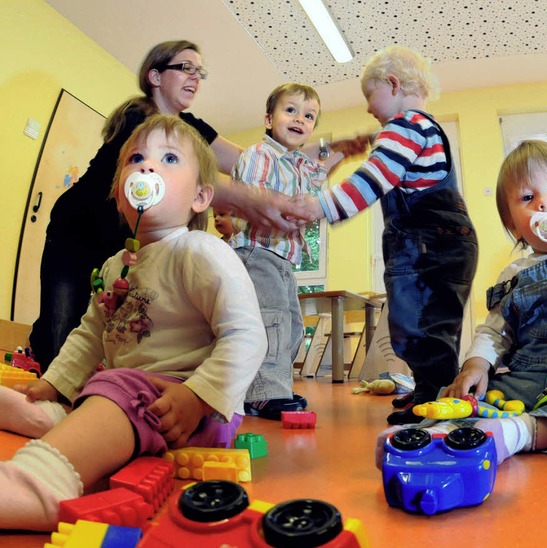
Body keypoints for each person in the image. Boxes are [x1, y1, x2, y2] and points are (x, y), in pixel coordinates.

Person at [0, 114, 267, 531]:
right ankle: (53, 415)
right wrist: (54, 382)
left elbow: (246, 334)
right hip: (127, 394)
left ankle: (38, 484)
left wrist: (197, 398)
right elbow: (90, 334)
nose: (146, 167)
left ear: (200, 197)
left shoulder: (200, 251)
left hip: (188, 411)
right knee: (104, 383)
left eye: (169, 158)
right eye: (137, 158)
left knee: (116, 386)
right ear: (121, 196)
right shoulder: (113, 265)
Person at [28, 40, 319, 375]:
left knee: (103, 325)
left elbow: (248, 163)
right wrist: (261, 201)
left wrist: (304, 160)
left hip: (118, 243)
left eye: (199, 71)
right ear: (155, 76)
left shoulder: (193, 128)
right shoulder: (139, 119)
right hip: (75, 232)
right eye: (185, 68)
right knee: (61, 331)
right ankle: (43, 352)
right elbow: (206, 182)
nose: (195, 77)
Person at [377, 140, 547, 467]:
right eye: (528, 198)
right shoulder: (514, 273)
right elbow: (495, 331)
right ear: (513, 225)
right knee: (466, 393)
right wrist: (477, 364)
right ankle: (431, 435)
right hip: (528, 376)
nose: (544, 203)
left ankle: (526, 431)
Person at [303, 46, 478, 424]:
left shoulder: (406, 125)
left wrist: (320, 207)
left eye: (370, 96)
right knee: (432, 323)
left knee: (418, 324)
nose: (368, 108)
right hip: (447, 242)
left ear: (393, 83)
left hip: (428, 245)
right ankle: (429, 387)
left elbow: (374, 177)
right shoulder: (427, 130)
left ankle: (436, 401)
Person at [230, 83, 363, 419]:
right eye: (290, 110)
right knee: (271, 319)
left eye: (308, 116)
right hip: (256, 251)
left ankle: (278, 386)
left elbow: (317, 174)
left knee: (290, 326)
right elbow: (252, 194)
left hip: (283, 258)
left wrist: (344, 150)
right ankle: (262, 392)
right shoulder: (259, 154)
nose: (299, 119)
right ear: (268, 118)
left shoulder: (297, 165)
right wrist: (289, 209)